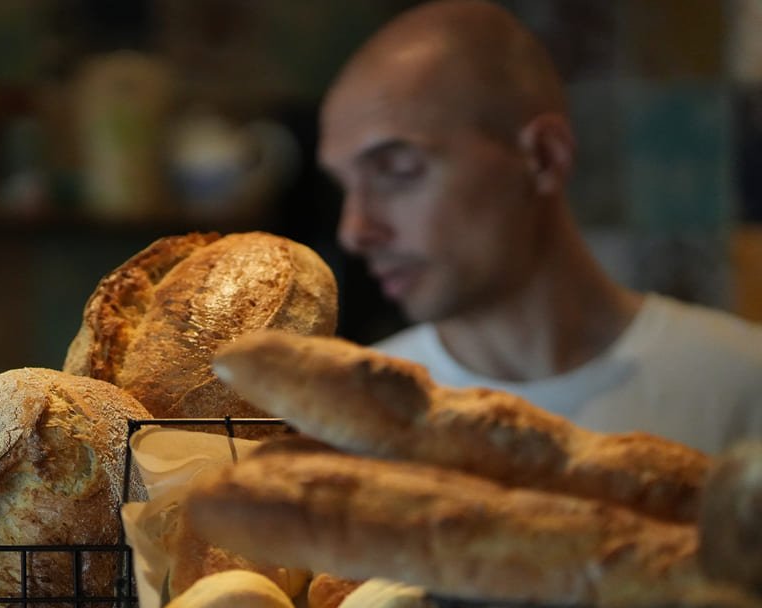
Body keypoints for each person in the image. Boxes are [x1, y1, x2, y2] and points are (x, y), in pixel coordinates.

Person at [317, 0, 762, 455]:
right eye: (343, 187)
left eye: (396, 170)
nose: (354, 231)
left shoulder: (742, 385)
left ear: (545, 157)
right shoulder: (349, 417)